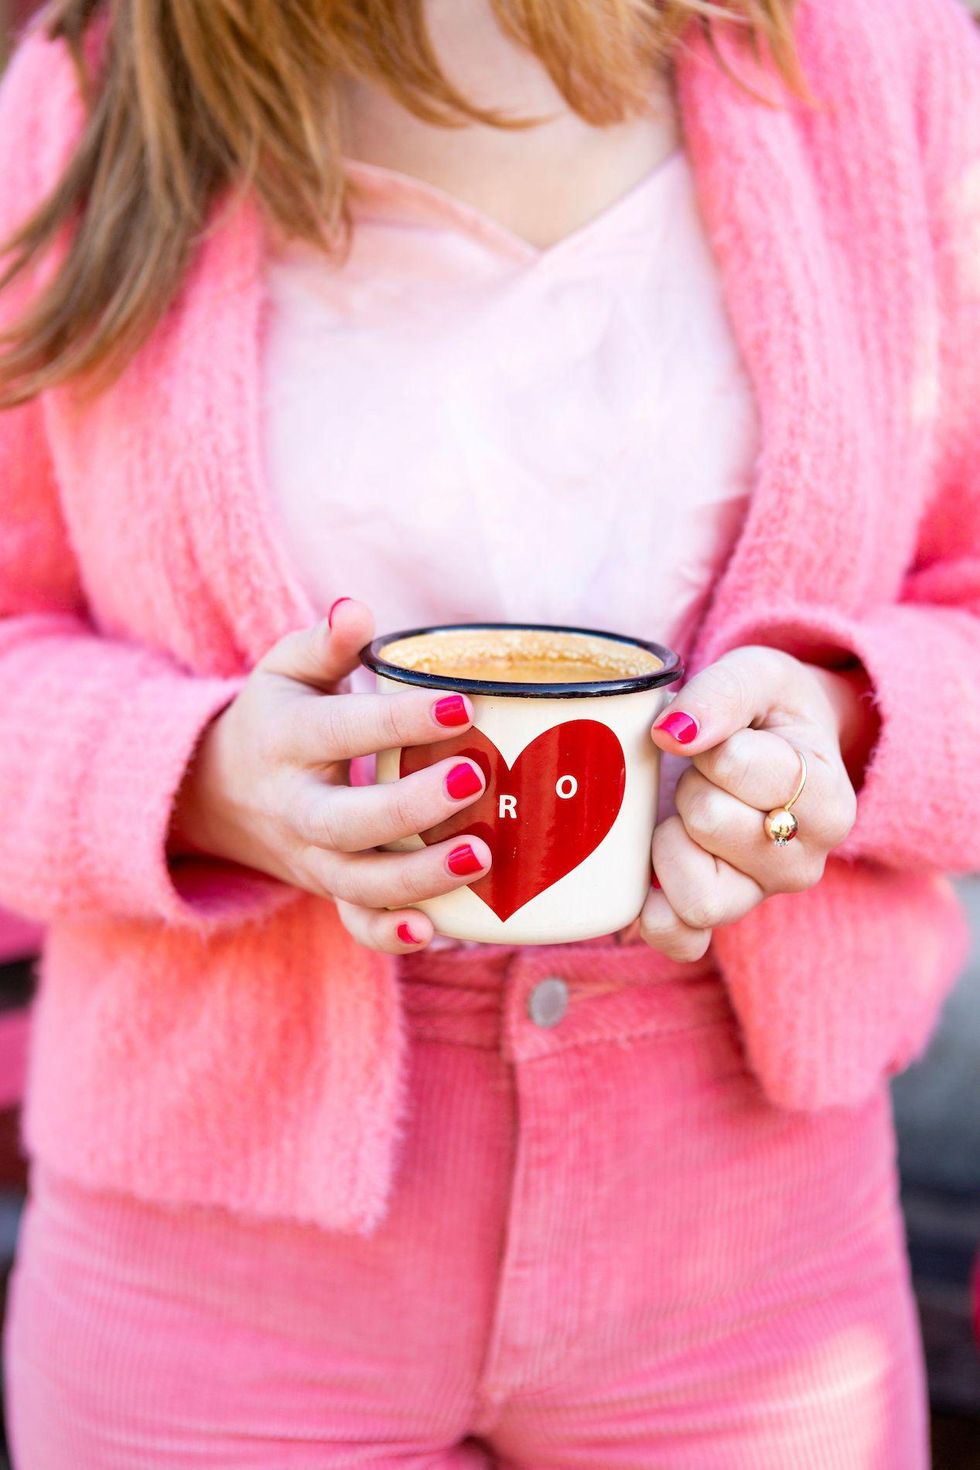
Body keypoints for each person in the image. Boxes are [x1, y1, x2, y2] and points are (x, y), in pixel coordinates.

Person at [0, 0, 978, 1464]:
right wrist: (200, 783)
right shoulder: (92, 92)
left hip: (749, 1241)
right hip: (207, 1263)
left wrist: (838, 725)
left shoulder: (889, 61)